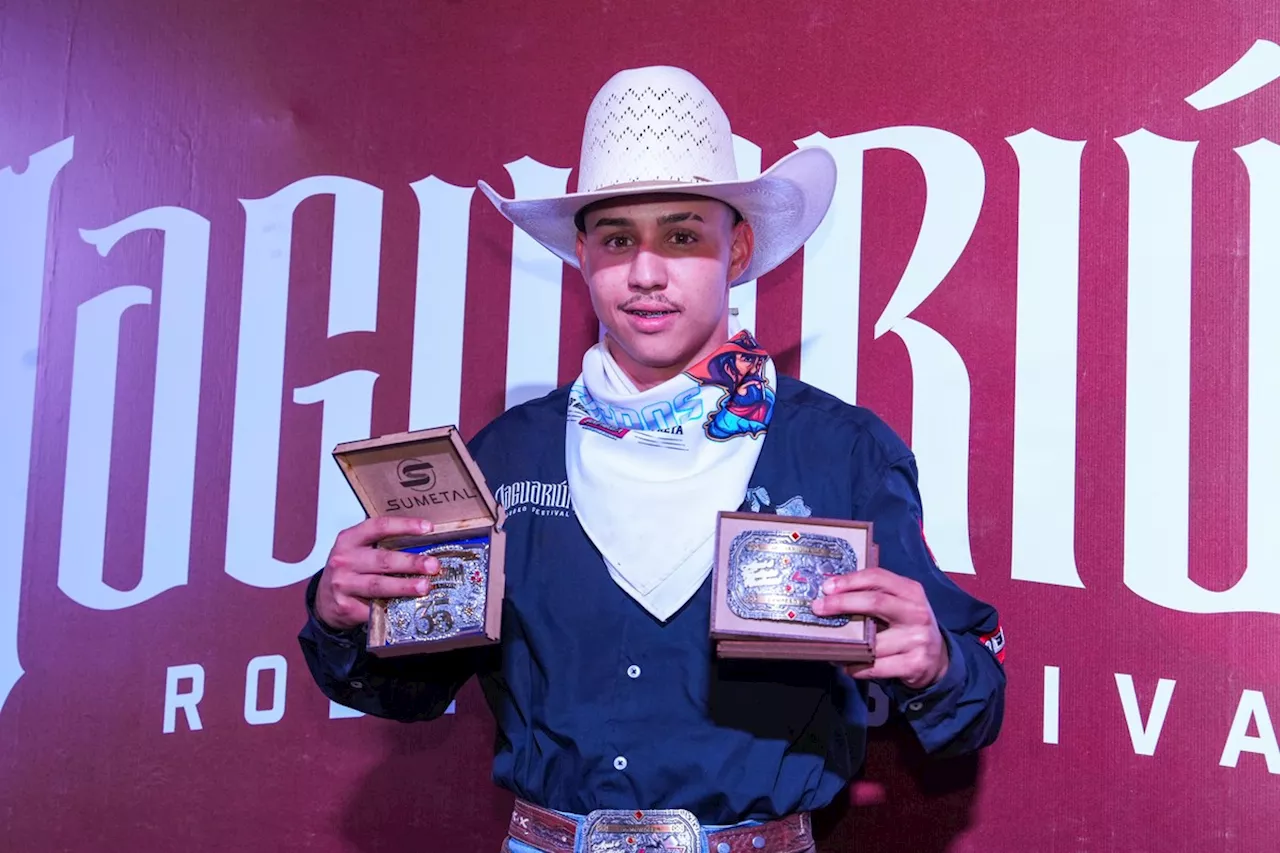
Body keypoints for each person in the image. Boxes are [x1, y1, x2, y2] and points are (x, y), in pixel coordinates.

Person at [299, 65, 1006, 853]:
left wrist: (938, 661)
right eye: (616, 239)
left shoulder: (837, 449)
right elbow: (410, 689)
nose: (644, 272)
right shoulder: (508, 454)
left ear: (735, 247)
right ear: (582, 254)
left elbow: (975, 700)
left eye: (680, 235)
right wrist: (344, 617)